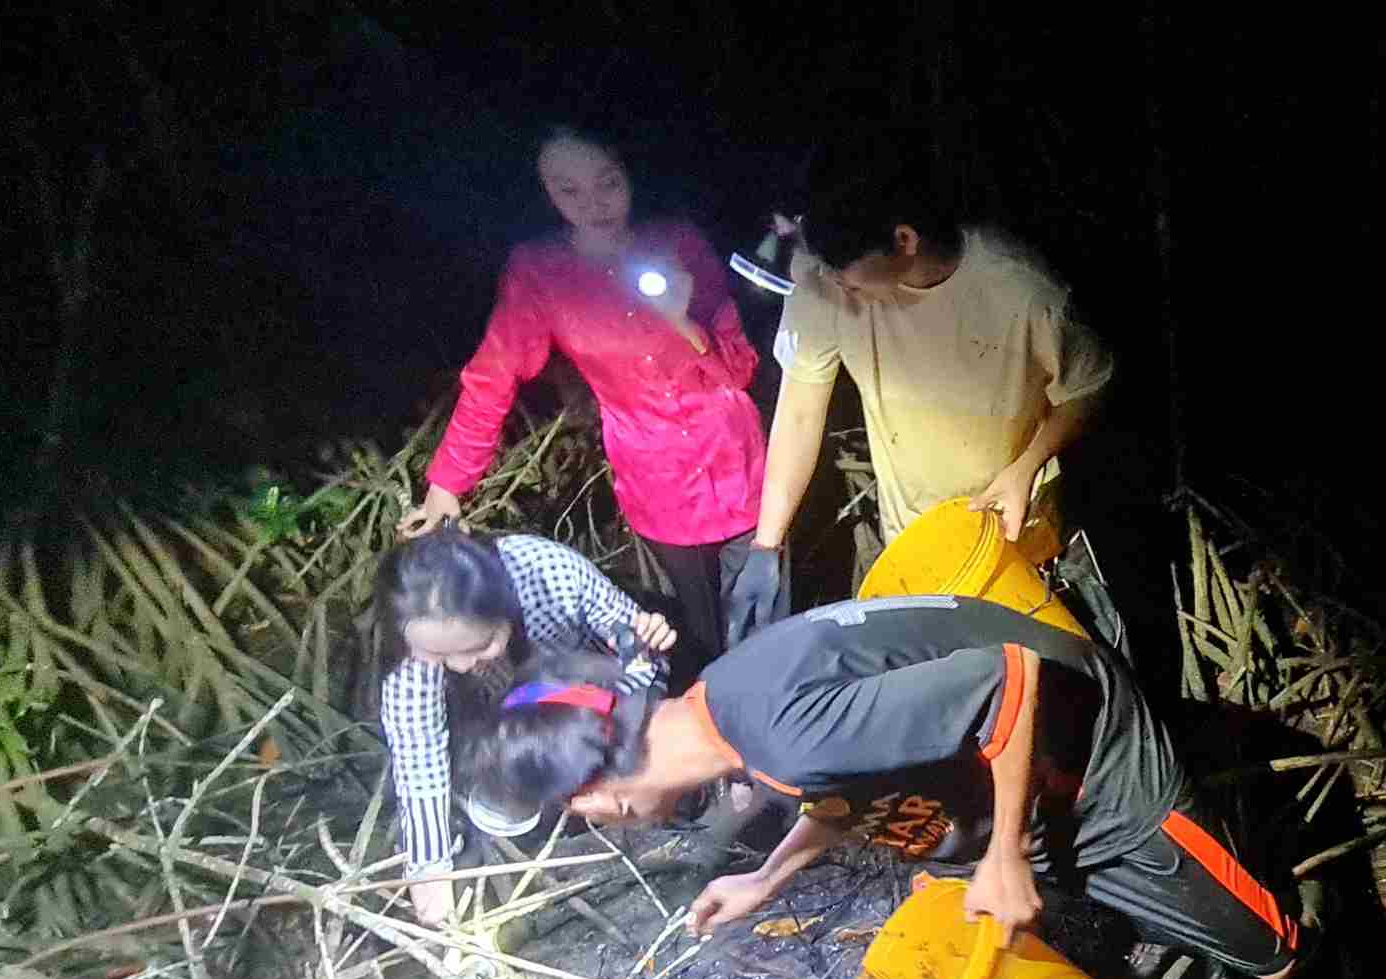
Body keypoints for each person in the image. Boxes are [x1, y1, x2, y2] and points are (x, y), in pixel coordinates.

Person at [465, 596, 1306, 979]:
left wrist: (1006, 852)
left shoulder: (778, 732)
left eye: (576, 814)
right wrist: (766, 877)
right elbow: (843, 789)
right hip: (1027, 765)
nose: (600, 825)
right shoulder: (720, 708)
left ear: (599, 796)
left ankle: (1326, 971)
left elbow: (1006, 679)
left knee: (1262, 945)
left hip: (1094, 757)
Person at [398, 122, 785, 674]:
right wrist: (446, 485)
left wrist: (682, 321)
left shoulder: (679, 243)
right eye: (568, 190)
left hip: (739, 467)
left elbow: (740, 368)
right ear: (545, 193)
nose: (594, 204)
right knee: (698, 641)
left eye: (607, 183)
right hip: (656, 484)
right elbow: (493, 376)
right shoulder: (540, 271)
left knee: (767, 624)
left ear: (629, 174)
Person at [725, 143, 1113, 645]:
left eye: (846, 275)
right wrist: (766, 544)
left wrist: (1027, 466)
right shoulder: (825, 284)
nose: (835, 287)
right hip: (910, 541)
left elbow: (1085, 388)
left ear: (904, 239)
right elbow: (799, 412)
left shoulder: (1021, 290)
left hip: (1014, 536)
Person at [374, 527, 674, 924]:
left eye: (480, 646)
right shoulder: (413, 657)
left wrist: (616, 733)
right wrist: (429, 869)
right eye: (439, 656)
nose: (461, 665)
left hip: (591, 689)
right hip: (510, 712)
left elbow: (639, 655)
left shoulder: (549, 572)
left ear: (505, 607)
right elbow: (419, 757)